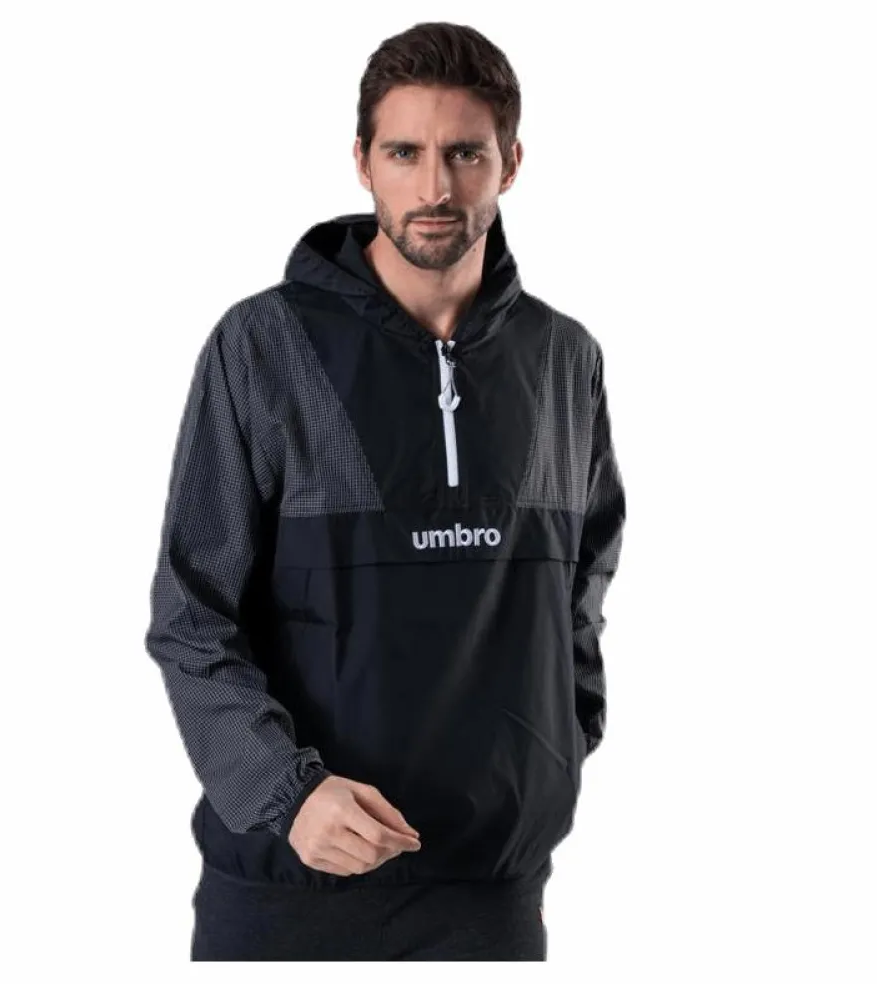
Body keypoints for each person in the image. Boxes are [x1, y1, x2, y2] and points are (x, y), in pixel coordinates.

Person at [143, 19, 626, 961]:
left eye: (465, 154)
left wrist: (555, 754)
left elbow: (584, 583)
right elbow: (191, 616)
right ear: (362, 160)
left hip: (490, 896)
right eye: (405, 153)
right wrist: (285, 792)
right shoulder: (263, 347)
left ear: (511, 162)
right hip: (287, 889)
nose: (434, 187)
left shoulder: (564, 359)